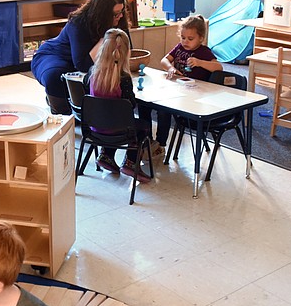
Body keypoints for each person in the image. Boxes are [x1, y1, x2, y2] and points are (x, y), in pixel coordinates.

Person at [30, 0, 128, 115]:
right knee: (55, 77)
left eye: (121, 12)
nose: (120, 16)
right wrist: (105, 38)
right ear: (103, 14)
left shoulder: (119, 18)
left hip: (82, 60)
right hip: (55, 56)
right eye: (116, 14)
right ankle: (59, 108)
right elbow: (83, 65)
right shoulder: (78, 23)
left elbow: (127, 47)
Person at [84, 27, 152, 182]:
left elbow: (90, 97)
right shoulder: (124, 78)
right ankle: (131, 161)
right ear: (126, 53)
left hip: (94, 128)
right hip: (119, 130)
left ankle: (106, 155)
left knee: (111, 119)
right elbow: (130, 106)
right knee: (143, 126)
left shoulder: (92, 73)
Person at [148, 14, 221, 153]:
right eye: (183, 38)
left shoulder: (204, 52)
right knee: (162, 108)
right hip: (178, 91)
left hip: (196, 96)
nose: (185, 41)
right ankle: (159, 143)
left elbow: (218, 67)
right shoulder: (179, 48)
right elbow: (164, 60)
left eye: (190, 39)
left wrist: (200, 63)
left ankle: (159, 144)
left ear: (201, 38)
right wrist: (170, 67)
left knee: (165, 108)